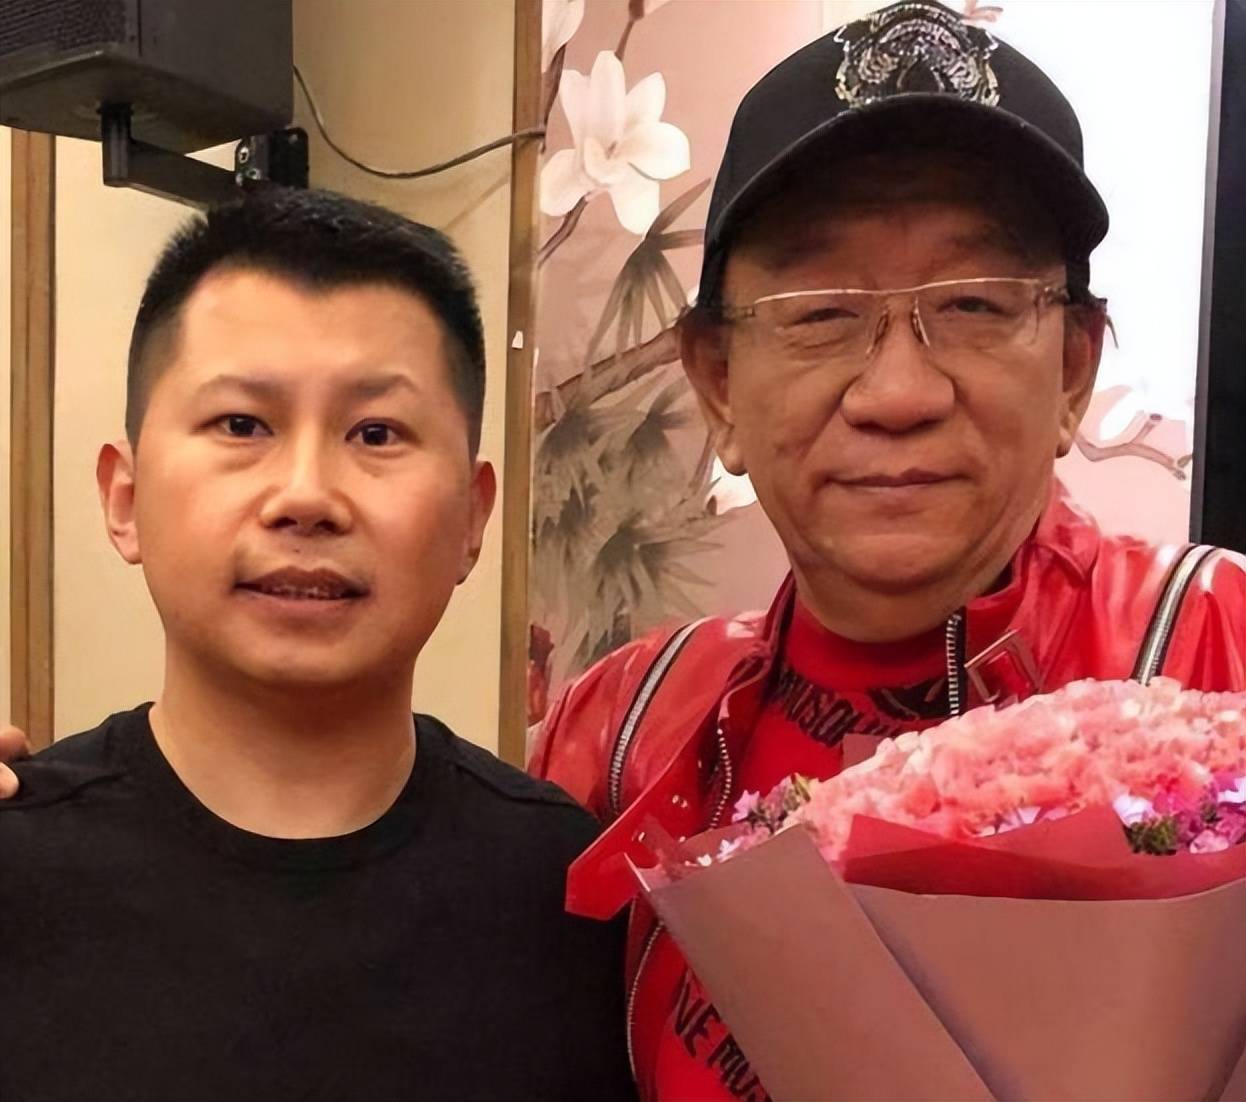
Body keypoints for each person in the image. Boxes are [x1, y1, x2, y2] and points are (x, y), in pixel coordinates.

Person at [529, 2, 1246, 1100]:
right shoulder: (620, 734)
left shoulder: (1223, 654)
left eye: (974, 304)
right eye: (820, 311)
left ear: (1071, 369)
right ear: (717, 384)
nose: (899, 392)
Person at [0, 188, 634, 1102]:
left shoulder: (573, 890)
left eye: (376, 433)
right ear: (126, 498)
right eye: (241, 425)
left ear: (473, 518)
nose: (305, 495)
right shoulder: (18, 869)